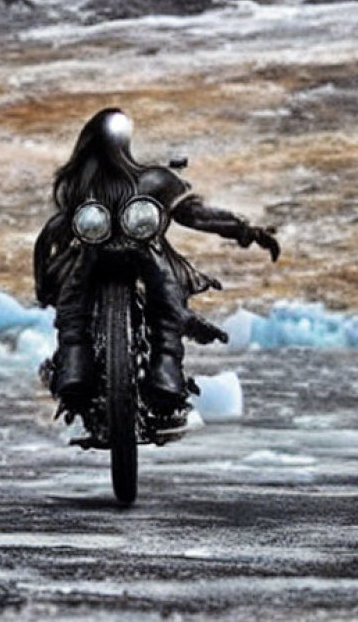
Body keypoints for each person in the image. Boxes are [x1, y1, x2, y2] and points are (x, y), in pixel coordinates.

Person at [34, 108, 280, 410]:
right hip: (93, 253)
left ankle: (165, 370)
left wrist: (246, 230)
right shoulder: (81, 188)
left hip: (139, 251)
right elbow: (54, 232)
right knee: (76, 301)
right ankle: (75, 364)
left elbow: (193, 213)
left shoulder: (147, 181)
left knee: (165, 292)